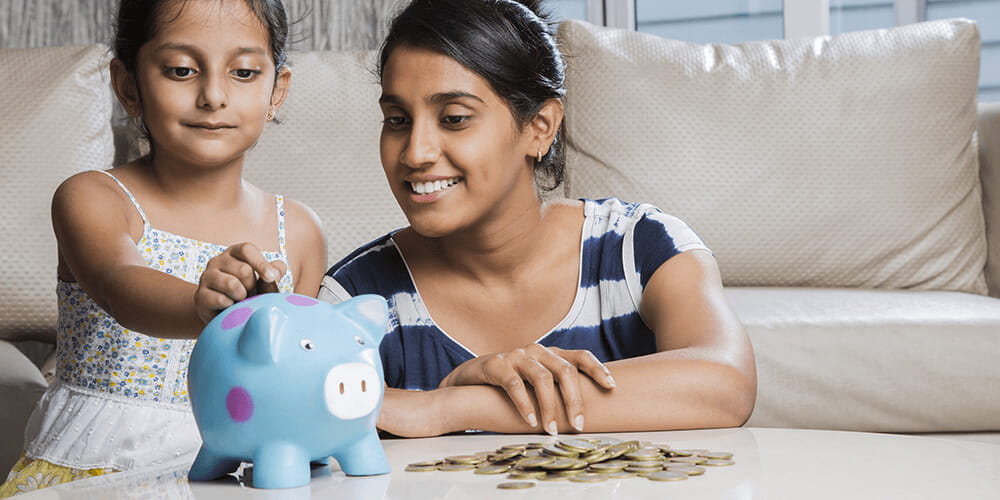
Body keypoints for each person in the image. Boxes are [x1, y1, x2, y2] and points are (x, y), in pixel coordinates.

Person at [319, 0, 756, 438]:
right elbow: (285, 409)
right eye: (397, 120)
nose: (415, 152)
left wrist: (451, 407)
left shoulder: (640, 248)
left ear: (540, 127)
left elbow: (725, 381)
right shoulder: (355, 297)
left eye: (454, 119)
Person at [0, 0, 326, 495]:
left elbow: (296, 375)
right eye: (180, 70)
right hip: (95, 465)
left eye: (243, 72)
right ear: (129, 86)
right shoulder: (94, 197)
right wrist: (205, 307)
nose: (213, 95)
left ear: (276, 90)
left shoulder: (298, 231)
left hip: (232, 473)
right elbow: (120, 286)